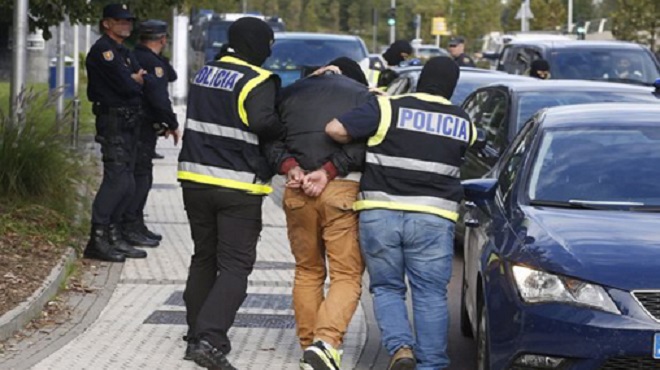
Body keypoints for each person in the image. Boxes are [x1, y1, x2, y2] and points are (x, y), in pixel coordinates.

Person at [325, 56, 477, 370]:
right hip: (434, 218)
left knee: (387, 287)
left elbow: (335, 129)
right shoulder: (463, 121)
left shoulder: (387, 108)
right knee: (431, 293)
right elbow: (469, 150)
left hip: (380, 213)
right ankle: (432, 364)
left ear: (421, 80)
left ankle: (401, 350)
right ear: (452, 86)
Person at [178, 17, 286, 370]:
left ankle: (195, 332)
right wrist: (283, 125)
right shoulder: (257, 80)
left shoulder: (205, 72)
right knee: (236, 266)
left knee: (203, 257)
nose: (269, 51)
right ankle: (209, 340)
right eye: (268, 44)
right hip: (237, 185)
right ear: (257, 43)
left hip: (194, 179)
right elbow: (262, 123)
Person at [276, 57, 371, 370]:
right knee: (346, 274)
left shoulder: (289, 94)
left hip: (298, 189)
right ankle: (325, 342)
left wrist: (291, 167)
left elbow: (270, 140)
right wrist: (331, 169)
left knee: (307, 270)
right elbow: (369, 146)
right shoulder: (363, 96)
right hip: (341, 190)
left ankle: (308, 346)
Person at [83, 3, 148, 262]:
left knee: (128, 182)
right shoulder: (104, 51)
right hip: (112, 121)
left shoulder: (123, 51)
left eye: (128, 21)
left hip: (127, 122)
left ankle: (113, 234)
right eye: (120, 21)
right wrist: (133, 80)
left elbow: (139, 84)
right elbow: (127, 85)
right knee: (117, 180)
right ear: (106, 23)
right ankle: (97, 239)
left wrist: (134, 81)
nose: (126, 25)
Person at [122, 20, 181, 247]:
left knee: (140, 175)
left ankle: (135, 223)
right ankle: (131, 224)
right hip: (142, 125)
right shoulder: (150, 61)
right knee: (141, 177)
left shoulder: (139, 55)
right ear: (163, 39)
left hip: (140, 124)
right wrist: (172, 122)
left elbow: (172, 75)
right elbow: (158, 97)